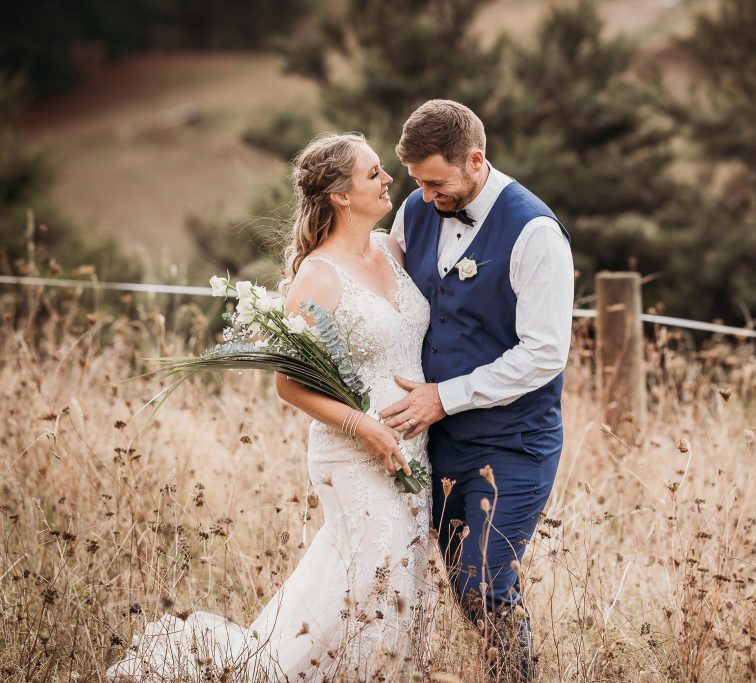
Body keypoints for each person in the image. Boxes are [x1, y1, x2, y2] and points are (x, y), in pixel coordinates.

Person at [106, 132, 435, 681]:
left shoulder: (390, 250)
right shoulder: (317, 276)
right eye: (374, 173)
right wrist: (366, 428)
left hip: (412, 453)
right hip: (356, 454)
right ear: (340, 196)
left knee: (395, 587)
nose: (387, 180)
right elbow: (288, 382)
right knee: (376, 590)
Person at [380, 99, 574, 681]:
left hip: (514, 441)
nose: (425, 195)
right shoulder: (415, 211)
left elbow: (545, 352)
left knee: (485, 579)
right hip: (434, 446)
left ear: (475, 160)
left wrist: (445, 396)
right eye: (417, 182)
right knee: (462, 585)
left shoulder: (534, 232)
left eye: (436, 181)